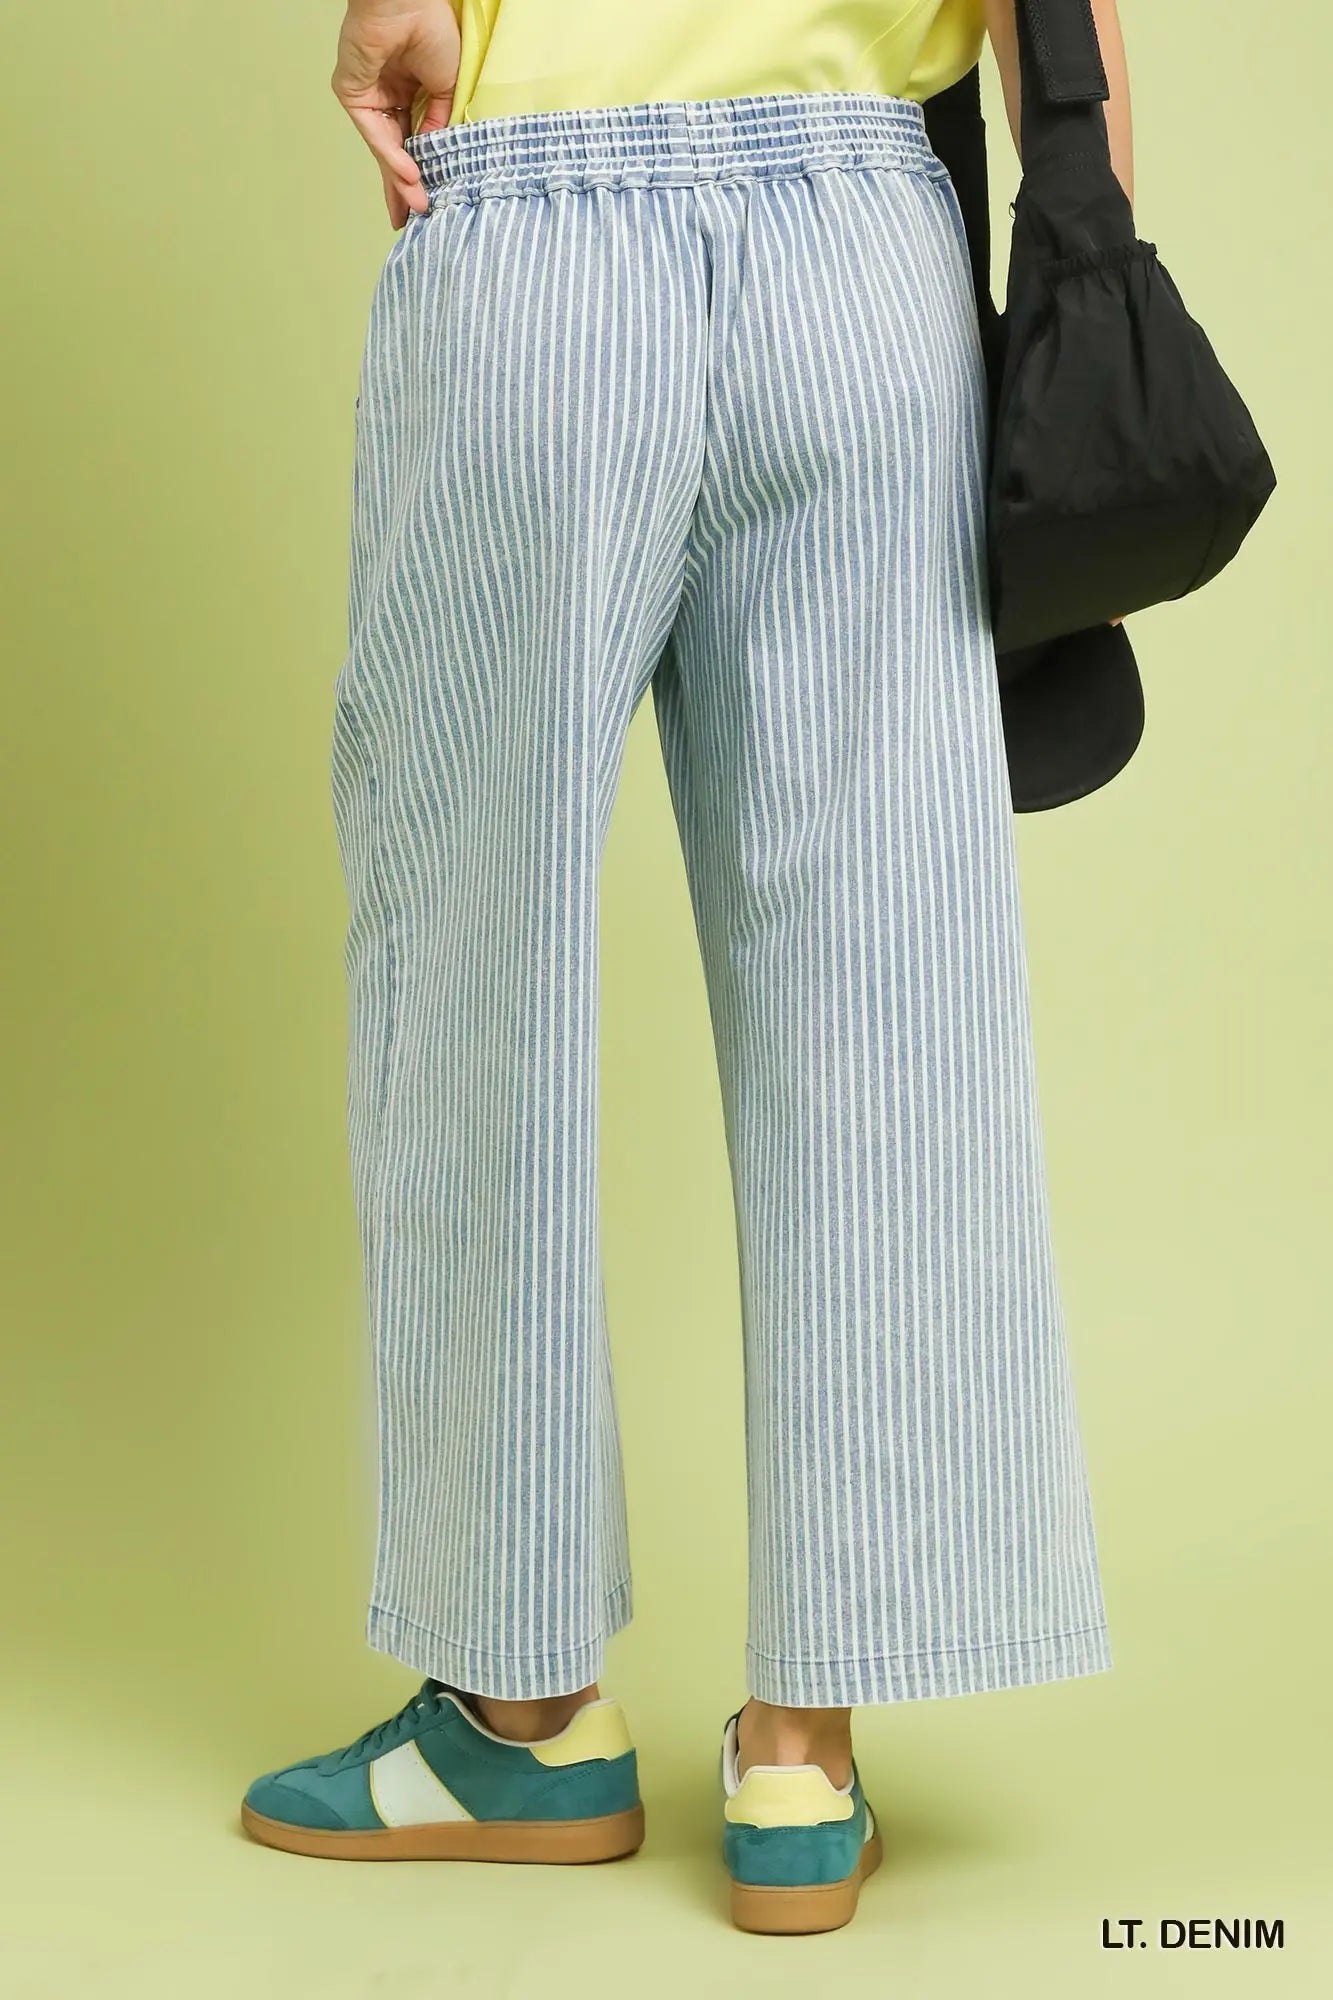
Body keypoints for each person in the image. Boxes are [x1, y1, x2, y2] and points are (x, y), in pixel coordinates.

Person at [241, 0, 1133, 1936]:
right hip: (862, 249)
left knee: (468, 963)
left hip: (534, 243)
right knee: (877, 983)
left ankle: (520, 1714)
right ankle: (805, 1751)